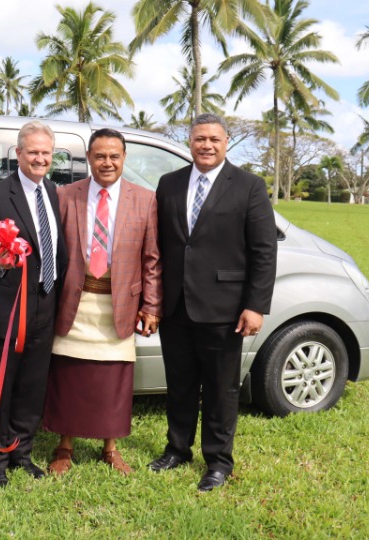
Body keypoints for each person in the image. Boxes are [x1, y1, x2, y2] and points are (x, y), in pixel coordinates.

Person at [150, 113, 277, 492]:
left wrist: (255, 305)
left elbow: (263, 250)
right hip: (176, 305)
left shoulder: (249, 186)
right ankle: (177, 449)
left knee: (221, 389)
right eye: (199, 139)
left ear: (226, 142)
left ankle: (219, 461)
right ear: (189, 142)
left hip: (224, 308)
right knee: (180, 384)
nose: (206, 145)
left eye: (214, 139)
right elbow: (160, 243)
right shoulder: (169, 184)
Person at [42, 128, 162, 476]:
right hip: (74, 302)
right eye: (100, 156)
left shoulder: (145, 199)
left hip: (119, 303)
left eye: (114, 156)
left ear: (124, 158)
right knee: (69, 375)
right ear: (89, 158)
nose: (107, 162)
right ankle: (64, 445)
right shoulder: (66, 196)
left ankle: (110, 448)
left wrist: (151, 305)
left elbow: (152, 257)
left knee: (113, 380)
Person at [0, 120, 68, 487]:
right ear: (19, 154)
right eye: (34, 152)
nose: (40, 158)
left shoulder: (55, 193)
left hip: (45, 303)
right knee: (1, 385)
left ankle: (22, 452)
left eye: (46, 152)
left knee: (32, 384)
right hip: (7, 310)